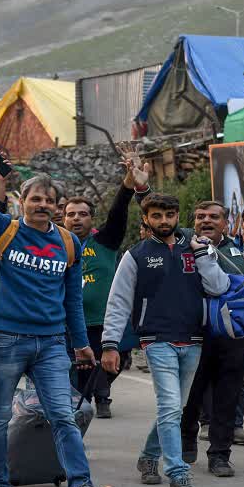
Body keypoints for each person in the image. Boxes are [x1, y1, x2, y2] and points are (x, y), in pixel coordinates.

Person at [0, 114, 116, 487]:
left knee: (63, 415)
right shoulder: (2, 228)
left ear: (57, 207)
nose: (42, 206)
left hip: (52, 343)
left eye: (49, 202)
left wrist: (81, 345)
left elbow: (72, 301)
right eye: (35, 200)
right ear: (23, 202)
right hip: (5, 339)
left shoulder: (67, 244)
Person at [101, 193, 230, 487]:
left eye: (169, 215)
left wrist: (202, 256)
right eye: (156, 216)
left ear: (177, 217)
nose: (163, 221)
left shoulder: (197, 248)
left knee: (176, 408)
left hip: (194, 339)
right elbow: (118, 301)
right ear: (145, 219)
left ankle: (148, 455)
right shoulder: (136, 255)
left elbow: (219, 287)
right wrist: (110, 343)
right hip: (156, 340)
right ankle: (178, 473)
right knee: (171, 407)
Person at [179, 201, 244, 478]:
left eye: (213, 217)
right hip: (192, 333)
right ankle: (186, 441)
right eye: (200, 216)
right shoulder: (182, 247)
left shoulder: (239, 253)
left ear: (226, 222)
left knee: (227, 395)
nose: (206, 221)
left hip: (232, 336)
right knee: (190, 394)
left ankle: (220, 455)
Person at [61, 154, 151, 419]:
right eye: (70, 215)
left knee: (116, 360)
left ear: (92, 218)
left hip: (108, 318)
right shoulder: (55, 244)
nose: (76, 219)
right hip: (72, 320)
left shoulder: (105, 241)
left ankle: (100, 392)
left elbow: (118, 212)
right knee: (79, 367)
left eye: (83, 214)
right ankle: (89, 402)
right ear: (63, 218)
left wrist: (128, 182)